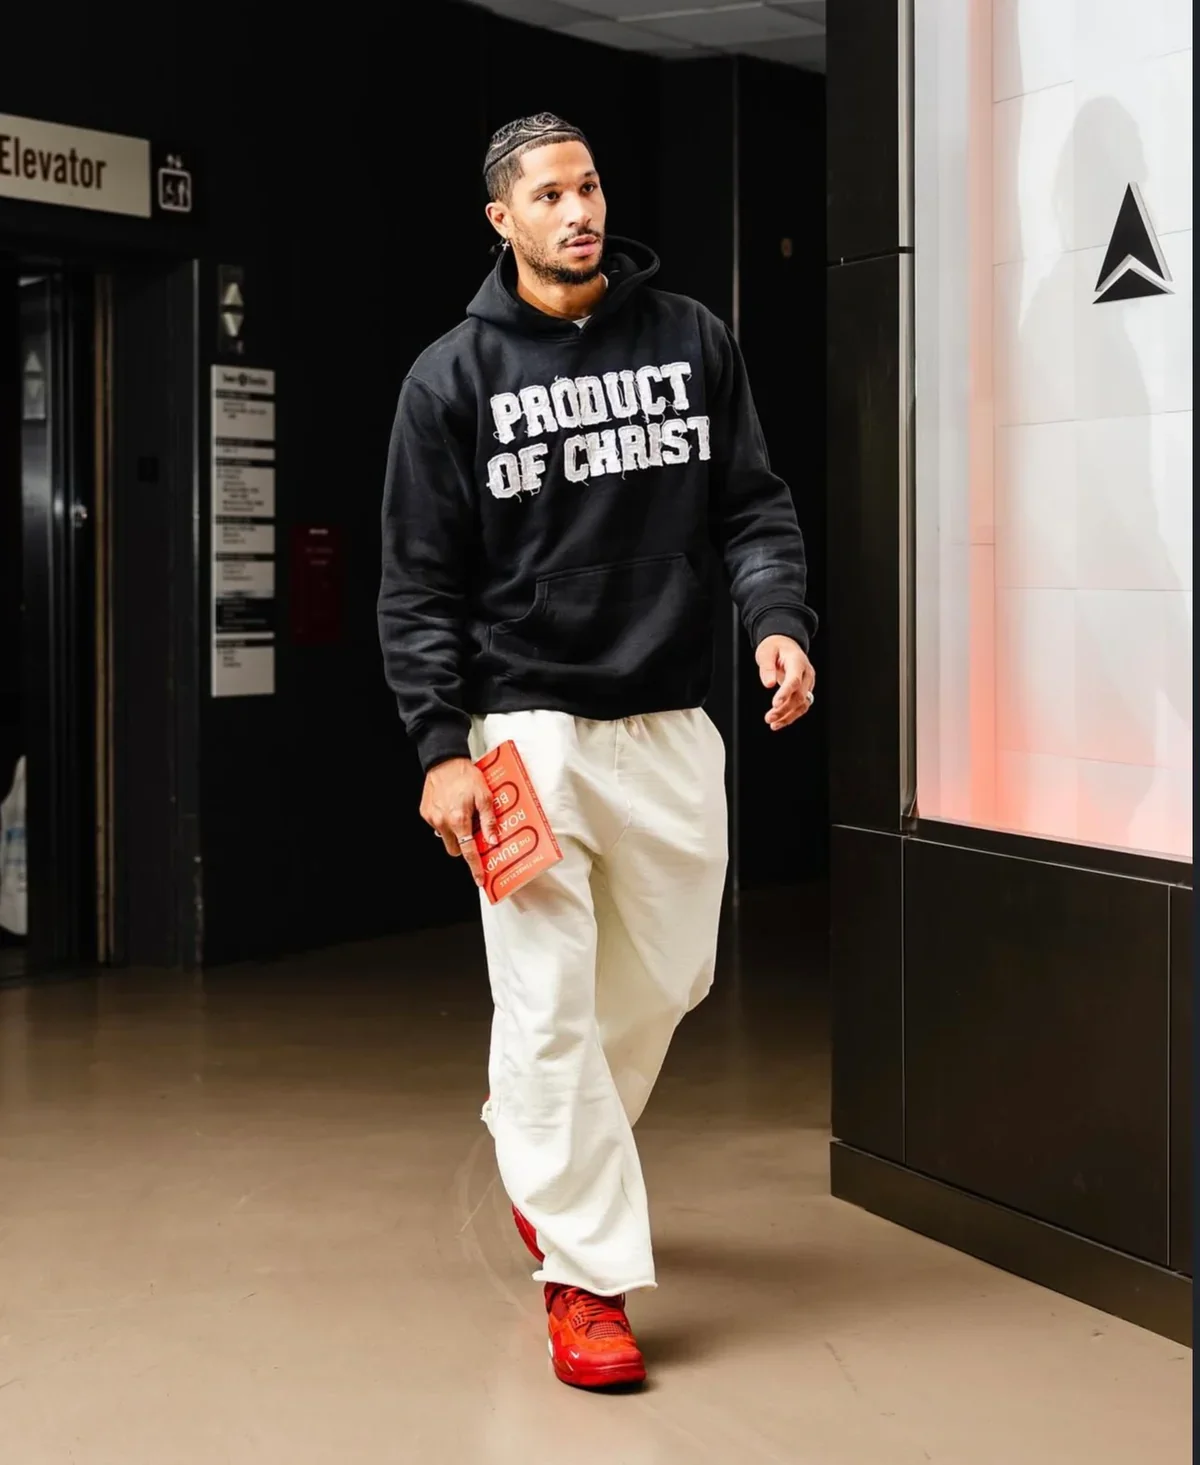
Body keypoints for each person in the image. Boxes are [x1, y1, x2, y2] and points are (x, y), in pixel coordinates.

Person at [378, 112, 816, 1391]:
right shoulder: (450, 380)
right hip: (523, 735)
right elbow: (417, 583)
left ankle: (538, 1138)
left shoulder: (692, 341)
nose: (579, 212)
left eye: (590, 187)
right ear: (501, 220)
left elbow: (753, 505)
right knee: (547, 1002)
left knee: (673, 974)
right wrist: (439, 745)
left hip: (670, 718)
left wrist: (776, 620)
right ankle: (586, 1278)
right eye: (549, 195)